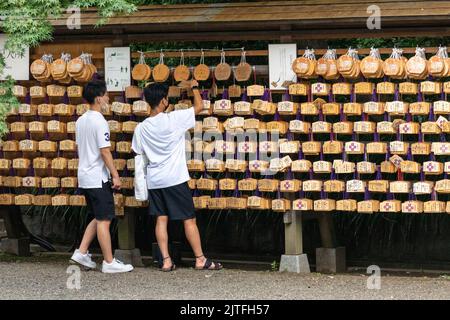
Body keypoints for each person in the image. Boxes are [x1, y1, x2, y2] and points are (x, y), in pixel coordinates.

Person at [132, 80, 222, 271]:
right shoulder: (173, 119)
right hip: (175, 178)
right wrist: (194, 88)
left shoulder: (141, 128)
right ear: (164, 101)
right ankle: (200, 259)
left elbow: (139, 153)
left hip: (155, 180)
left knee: (161, 219)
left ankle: (166, 261)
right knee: (188, 219)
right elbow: (199, 106)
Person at [70, 79, 134, 274]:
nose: (108, 98)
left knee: (98, 217)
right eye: (106, 95)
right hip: (97, 177)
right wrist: (115, 175)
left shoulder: (81, 120)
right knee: (105, 219)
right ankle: (108, 262)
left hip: (85, 175)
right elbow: (104, 152)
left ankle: (81, 252)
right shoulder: (100, 121)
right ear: (98, 98)